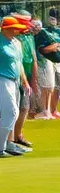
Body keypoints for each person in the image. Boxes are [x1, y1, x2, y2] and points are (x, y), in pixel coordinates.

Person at [1, 16, 33, 157]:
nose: (16, 31)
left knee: (13, 114)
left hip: (15, 80)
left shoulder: (16, 43)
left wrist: (25, 81)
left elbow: (18, 64)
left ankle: (8, 144)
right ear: (5, 29)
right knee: (11, 112)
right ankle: (1, 147)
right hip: (2, 79)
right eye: (13, 28)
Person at [34, 15, 60, 119]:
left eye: (54, 19)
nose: (52, 21)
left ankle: (53, 110)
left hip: (59, 62)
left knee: (58, 86)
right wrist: (55, 46)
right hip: (46, 62)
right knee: (48, 87)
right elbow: (43, 49)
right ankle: (46, 110)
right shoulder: (43, 33)